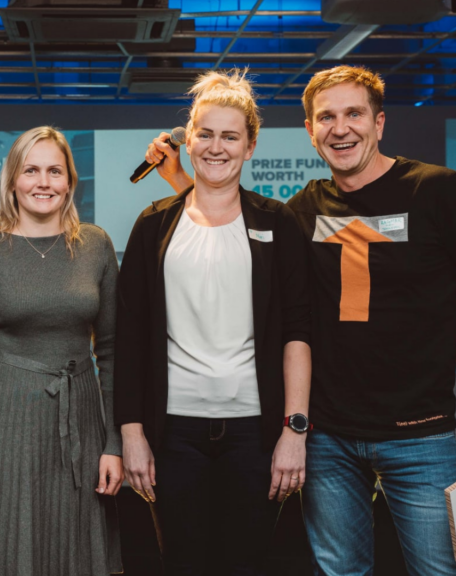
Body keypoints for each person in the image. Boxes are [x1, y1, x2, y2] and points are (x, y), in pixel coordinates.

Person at [146, 64, 456, 576]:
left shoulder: (437, 190)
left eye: (354, 114)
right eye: (326, 118)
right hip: (327, 438)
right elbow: (223, 222)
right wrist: (182, 178)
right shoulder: (302, 210)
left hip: (419, 436)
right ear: (310, 130)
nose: (340, 129)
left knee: (443, 572)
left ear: (379, 122)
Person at [115, 69, 312, 576]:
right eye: (205, 134)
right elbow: (130, 338)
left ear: (250, 147)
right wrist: (132, 433)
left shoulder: (277, 222)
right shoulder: (154, 225)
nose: (216, 147)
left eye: (230, 136)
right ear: (188, 140)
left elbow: (297, 332)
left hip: (256, 433)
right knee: (181, 564)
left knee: (246, 565)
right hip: (173, 433)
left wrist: (294, 431)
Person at [0, 126, 124, 575]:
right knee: (3, 549)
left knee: (72, 549)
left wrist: (114, 444)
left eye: (55, 171)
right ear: (12, 181)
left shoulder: (96, 246)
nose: (44, 182)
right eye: (31, 171)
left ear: (70, 181)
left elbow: (113, 353)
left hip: (79, 425)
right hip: (1, 426)